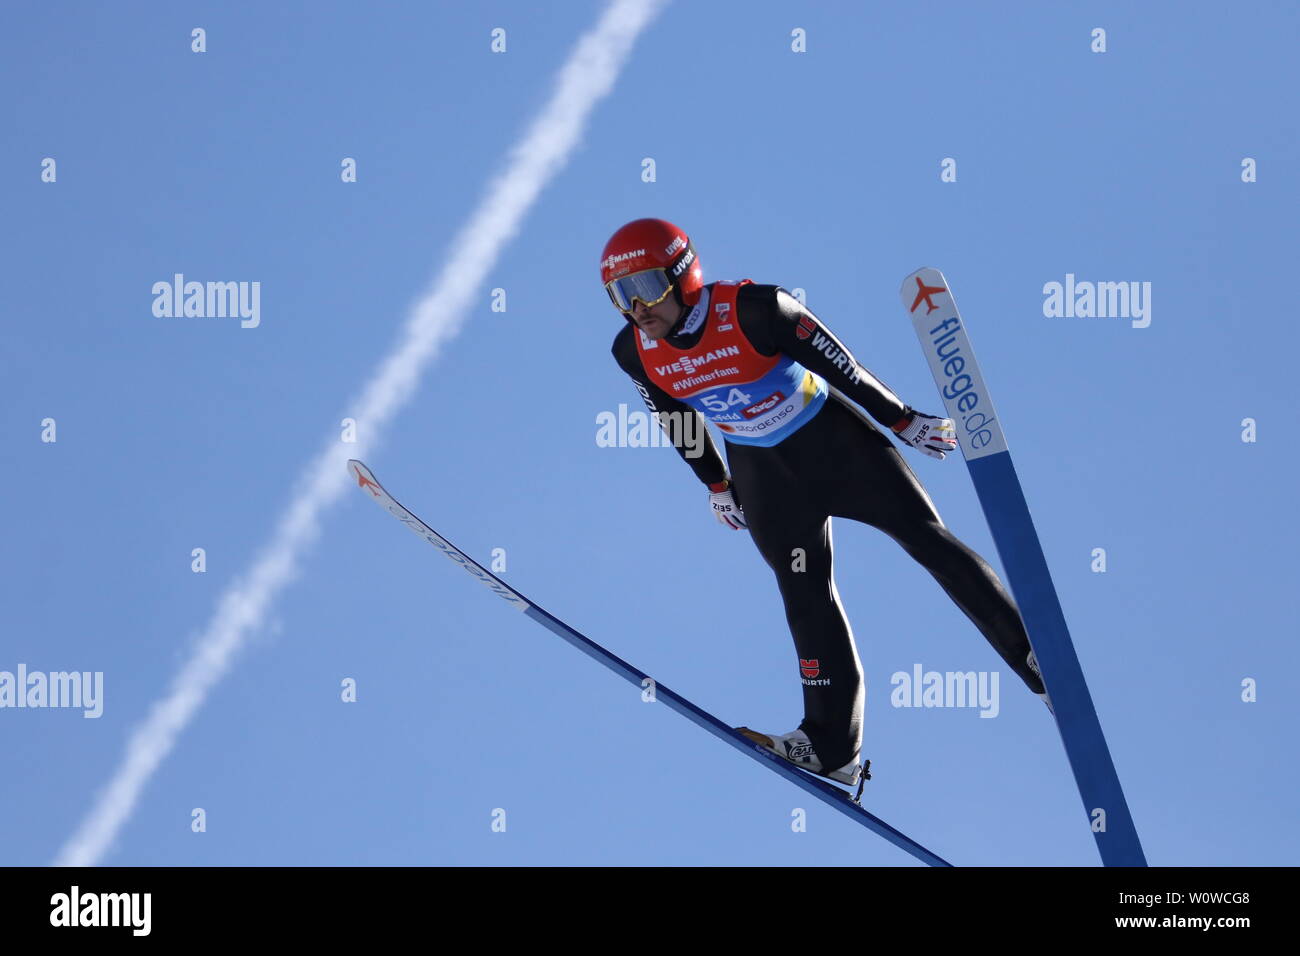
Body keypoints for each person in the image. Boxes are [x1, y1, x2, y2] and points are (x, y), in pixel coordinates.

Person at [603, 217, 1049, 787]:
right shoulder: (633, 351)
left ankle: (1036, 661)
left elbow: (841, 365)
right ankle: (830, 745)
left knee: (924, 537)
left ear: (682, 274)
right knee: (805, 596)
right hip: (763, 473)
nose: (636, 307)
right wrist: (716, 484)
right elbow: (674, 418)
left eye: (645, 288)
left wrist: (902, 419)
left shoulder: (758, 309)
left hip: (831, 444)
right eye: (621, 295)